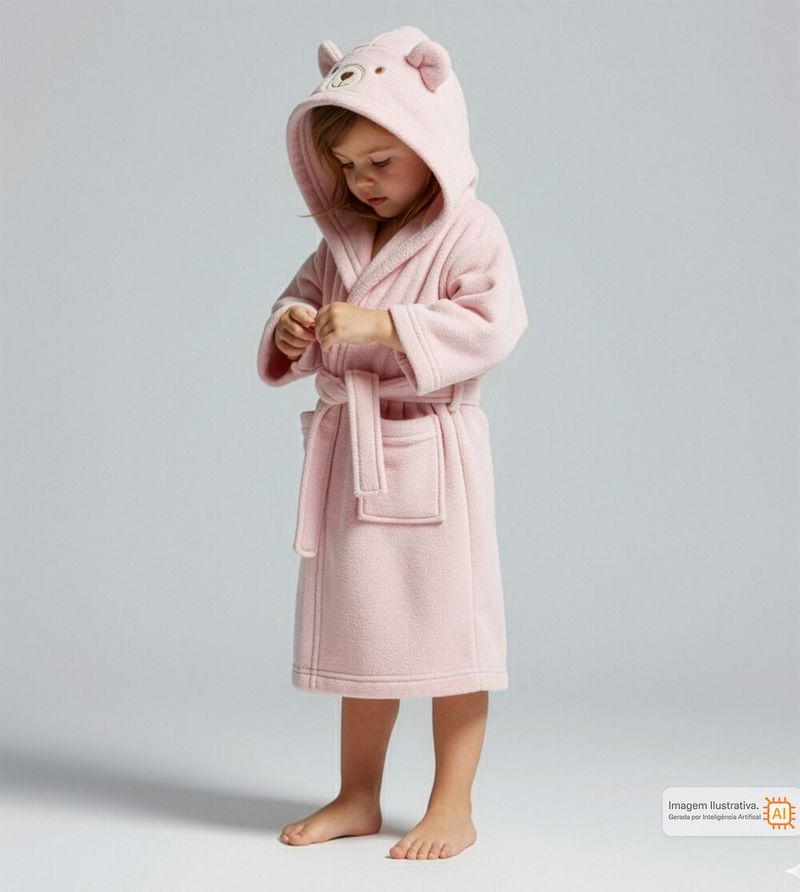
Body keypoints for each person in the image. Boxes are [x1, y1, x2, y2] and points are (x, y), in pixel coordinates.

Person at [256, 26, 528, 860]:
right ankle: (357, 795)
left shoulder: (471, 230)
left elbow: (495, 323)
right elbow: (295, 306)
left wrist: (384, 326)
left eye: (381, 161)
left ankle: (453, 805)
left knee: (454, 641)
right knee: (364, 635)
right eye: (346, 166)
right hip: (356, 461)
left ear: (432, 141)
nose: (361, 182)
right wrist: (292, 326)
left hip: (434, 454)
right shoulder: (341, 242)